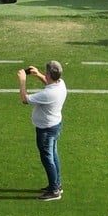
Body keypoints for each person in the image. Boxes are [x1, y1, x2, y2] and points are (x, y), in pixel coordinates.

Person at [17, 61, 67, 201]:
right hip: (54, 125)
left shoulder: (48, 94)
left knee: (47, 158)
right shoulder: (60, 84)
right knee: (53, 155)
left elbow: (25, 99)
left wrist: (22, 81)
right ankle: (56, 184)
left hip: (46, 130)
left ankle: (54, 191)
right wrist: (38, 74)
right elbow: (48, 83)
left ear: (49, 74)